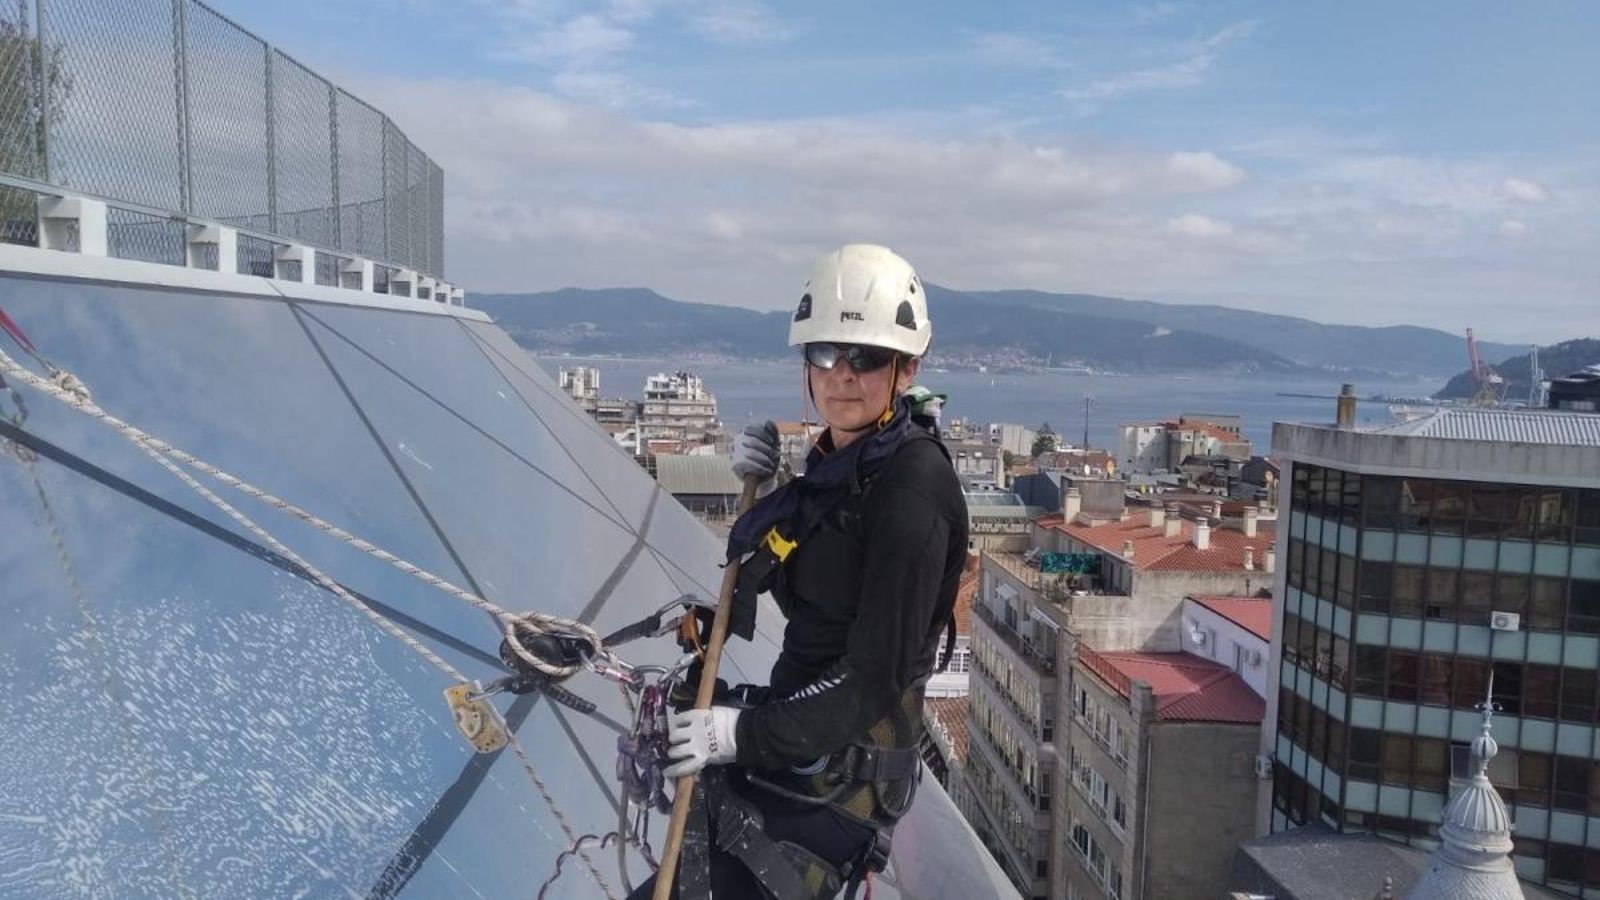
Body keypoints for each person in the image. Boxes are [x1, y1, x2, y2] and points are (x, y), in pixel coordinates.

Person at [627, 245, 968, 900]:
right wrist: (781, 487)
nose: (842, 374)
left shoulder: (912, 488)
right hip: (798, 758)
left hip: (838, 790)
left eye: (865, 357)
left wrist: (739, 733)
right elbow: (818, 588)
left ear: (907, 368)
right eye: (824, 354)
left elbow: (872, 679)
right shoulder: (842, 469)